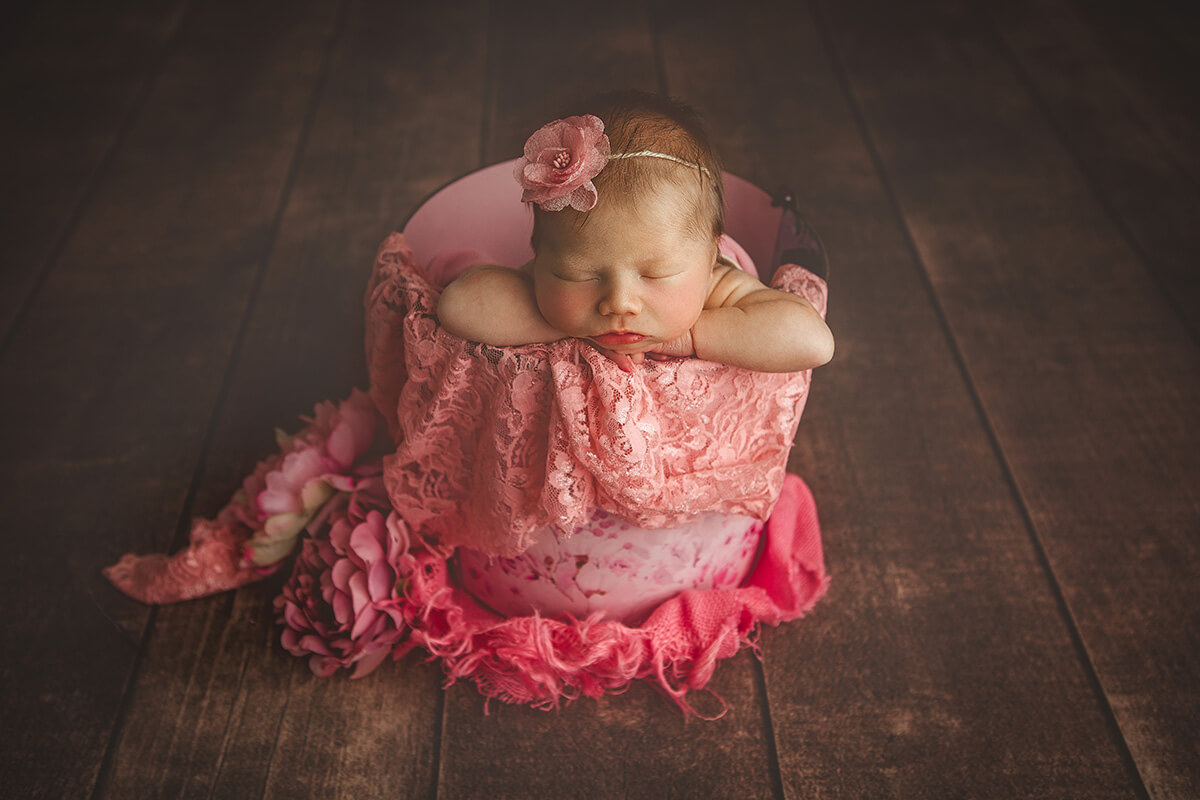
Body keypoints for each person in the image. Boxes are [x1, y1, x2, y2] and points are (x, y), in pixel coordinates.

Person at [437, 92, 834, 374]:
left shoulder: (717, 283)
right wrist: (571, 325)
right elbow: (457, 306)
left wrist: (688, 336)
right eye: (580, 275)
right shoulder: (552, 276)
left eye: (655, 274)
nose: (619, 303)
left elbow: (813, 342)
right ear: (539, 254)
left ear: (711, 256)